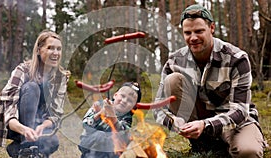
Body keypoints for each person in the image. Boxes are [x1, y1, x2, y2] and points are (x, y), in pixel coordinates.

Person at [152, 4, 268, 157]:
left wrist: (206, 125)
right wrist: (174, 121)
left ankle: (247, 139)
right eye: (188, 33)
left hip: (234, 122)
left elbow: (240, 110)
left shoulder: (237, 58)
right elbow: (158, 107)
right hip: (198, 123)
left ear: (212, 28)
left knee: (248, 152)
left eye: (199, 31)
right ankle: (202, 144)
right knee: (172, 80)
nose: (193, 38)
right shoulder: (175, 61)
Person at [0, 30, 70, 157]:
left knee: (53, 142)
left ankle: (17, 150)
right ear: (39, 50)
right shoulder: (22, 70)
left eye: (59, 49)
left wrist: (42, 126)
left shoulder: (60, 78)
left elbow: (55, 114)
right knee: (32, 87)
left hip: (37, 125)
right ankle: (26, 147)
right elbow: (8, 108)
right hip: (14, 125)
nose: (56, 53)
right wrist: (24, 130)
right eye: (50, 48)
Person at [78, 82, 142, 158]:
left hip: (110, 150)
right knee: (101, 136)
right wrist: (99, 114)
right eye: (123, 96)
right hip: (90, 143)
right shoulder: (100, 104)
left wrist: (112, 116)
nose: (124, 101)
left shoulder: (127, 118)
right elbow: (85, 124)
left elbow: (123, 134)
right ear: (115, 95)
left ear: (133, 107)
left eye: (130, 101)